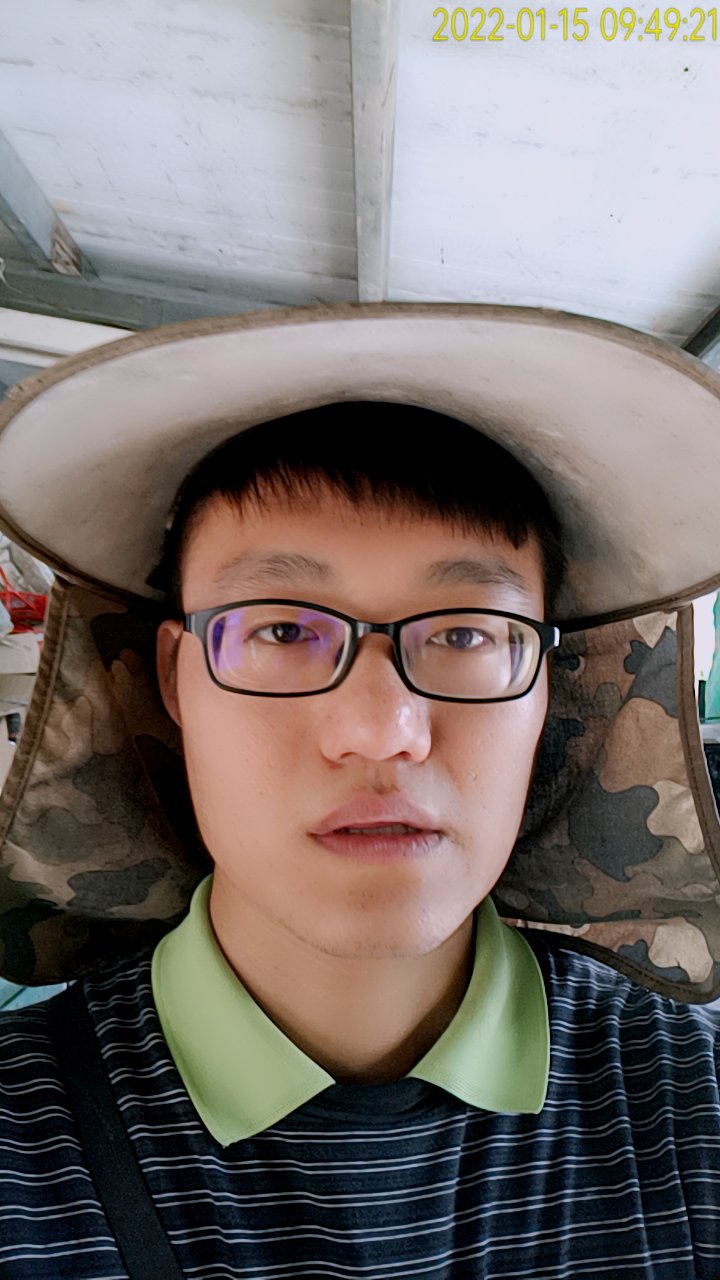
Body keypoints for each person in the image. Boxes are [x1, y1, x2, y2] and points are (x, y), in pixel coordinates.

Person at [0, 306, 720, 1279]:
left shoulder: (695, 1109)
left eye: (465, 633)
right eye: (283, 630)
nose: (382, 731)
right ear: (174, 678)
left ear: (551, 688)